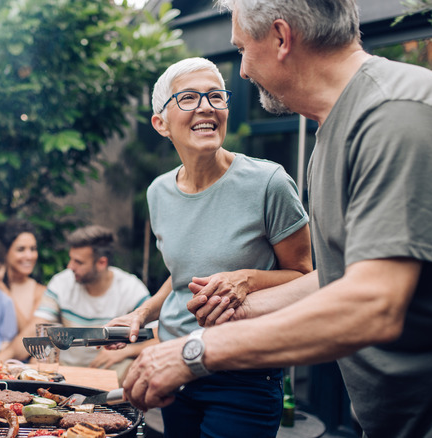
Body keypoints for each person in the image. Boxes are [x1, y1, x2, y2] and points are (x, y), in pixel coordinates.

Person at [122, 1, 432, 437]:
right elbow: (336, 278)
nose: (241, 71)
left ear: (281, 38)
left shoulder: (396, 113)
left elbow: (373, 304)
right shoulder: (335, 131)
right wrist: (241, 307)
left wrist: (195, 351)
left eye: (242, 49)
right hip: (403, 418)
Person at [107, 57, 312, 437]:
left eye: (216, 96)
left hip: (243, 372)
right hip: (175, 368)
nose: (206, 106)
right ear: (160, 123)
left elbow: (307, 277)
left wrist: (247, 279)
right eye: (188, 98)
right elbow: (184, 272)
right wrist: (144, 312)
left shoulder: (269, 183)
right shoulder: (159, 192)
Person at [0, 225, 153, 381]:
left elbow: (160, 336)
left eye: (78, 262)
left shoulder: (131, 289)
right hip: (65, 367)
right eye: (71, 259)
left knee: (138, 368)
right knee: (36, 361)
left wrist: (125, 351)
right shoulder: (61, 283)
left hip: (112, 369)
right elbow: (35, 331)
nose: (70, 266)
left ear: (101, 263)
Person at [0, 219, 47, 332]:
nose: (29, 256)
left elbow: (31, 337)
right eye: (21, 249)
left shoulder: (40, 292)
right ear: (4, 251)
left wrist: (6, 294)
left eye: (33, 249)